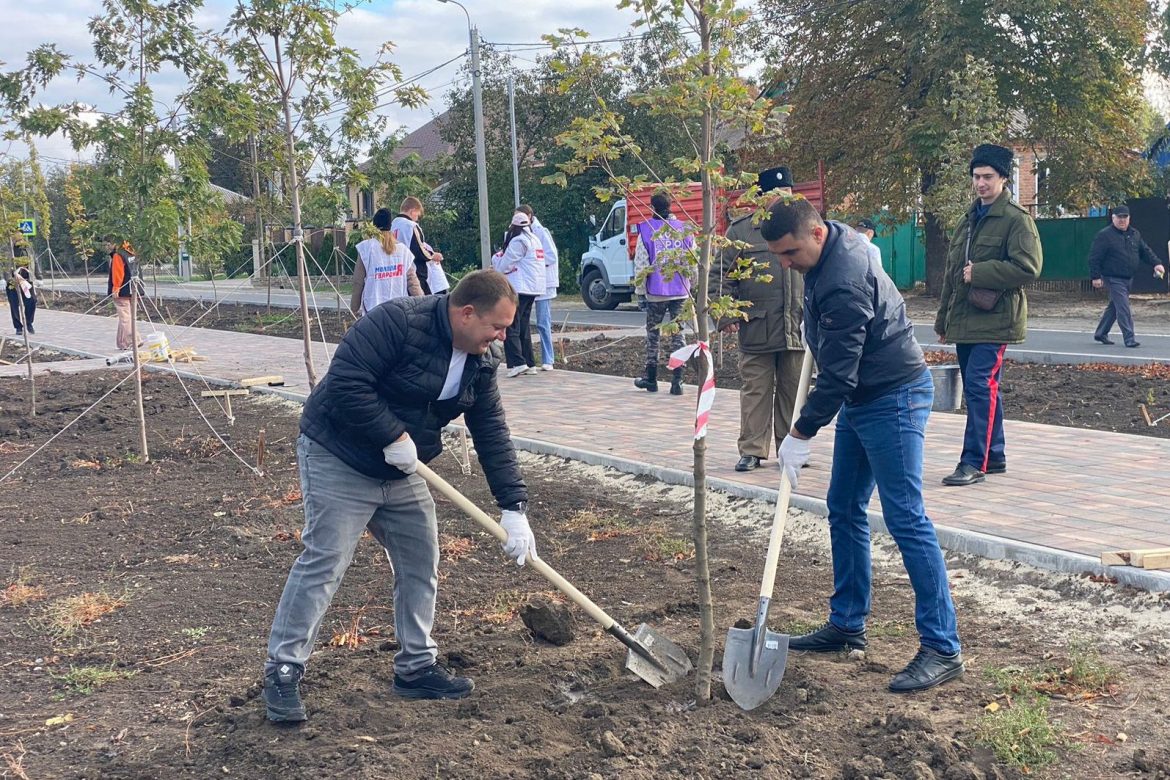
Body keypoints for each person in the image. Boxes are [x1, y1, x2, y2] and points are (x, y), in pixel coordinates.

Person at [263, 270, 536, 723]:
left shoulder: (480, 360)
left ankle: (415, 667)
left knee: (420, 558)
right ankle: (284, 668)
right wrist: (391, 434)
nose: (503, 336)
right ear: (466, 313)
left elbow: (491, 432)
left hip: (403, 467)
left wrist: (513, 507)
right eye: (497, 326)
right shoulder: (396, 322)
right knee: (325, 561)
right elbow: (347, 381)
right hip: (340, 453)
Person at [762, 197, 964, 694]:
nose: (784, 264)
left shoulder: (844, 280)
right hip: (863, 395)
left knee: (905, 517)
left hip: (891, 396)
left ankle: (943, 647)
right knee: (844, 506)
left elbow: (836, 376)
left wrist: (799, 433)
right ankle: (848, 626)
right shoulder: (831, 246)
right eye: (778, 256)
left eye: (789, 253)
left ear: (814, 235)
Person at [934, 143, 1043, 487]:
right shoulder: (969, 219)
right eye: (976, 177)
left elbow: (1029, 267)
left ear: (1003, 178)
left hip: (996, 319)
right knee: (982, 387)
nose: (980, 183)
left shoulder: (1016, 219)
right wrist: (942, 321)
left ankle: (973, 462)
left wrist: (980, 272)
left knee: (980, 387)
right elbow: (953, 273)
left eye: (987, 177)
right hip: (966, 319)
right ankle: (994, 455)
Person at [712, 166, 803, 470]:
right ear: (761, 199)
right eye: (776, 196)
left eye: (788, 195)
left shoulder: (804, 227)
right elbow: (719, 277)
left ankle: (790, 450)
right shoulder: (741, 232)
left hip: (797, 328)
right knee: (756, 392)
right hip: (757, 327)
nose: (783, 202)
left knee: (795, 392)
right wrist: (725, 314)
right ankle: (752, 449)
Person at [632, 192, 693, 395]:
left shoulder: (647, 229)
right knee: (679, 334)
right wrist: (692, 286)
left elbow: (641, 263)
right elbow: (693, 260)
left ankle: (651, 379)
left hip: (656, 291)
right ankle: (678, 381)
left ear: (652, 207)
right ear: (671, 205)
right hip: (680, 289)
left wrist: (640, 291)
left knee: (653, 334)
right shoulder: (684, 229)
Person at [1089, 204, 1164, 348]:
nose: (1122, 220)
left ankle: (1101, 333)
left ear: (1129, 218)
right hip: (1112, 277)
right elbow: (1094, 257)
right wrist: (1095, 277)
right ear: (1113, 218)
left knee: (1114, 307)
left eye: (1125, 217)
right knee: (1123, 307)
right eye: (1119, 217)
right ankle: (1129, 338)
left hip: (1128, 277)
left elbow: (1145, 251)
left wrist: (1157, 263)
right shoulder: (1104, 235)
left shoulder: (1134, 234)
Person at [493, 212, 544, 377]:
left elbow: (505, 265)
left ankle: (518, 362)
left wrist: (496, 262)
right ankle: (530, 363)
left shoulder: (518, 241)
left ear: (514, 226)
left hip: (519, 288)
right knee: (524, 326)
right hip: (534, 288)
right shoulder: (535, 239)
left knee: (511, 325)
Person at [350, 207, 422, 317]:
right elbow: (412, 282)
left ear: (374, 226)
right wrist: (422, 305)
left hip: (373, 310)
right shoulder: (403, 250)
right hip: (399, 310)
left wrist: (354, 307)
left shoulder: (366, 248)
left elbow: (358, 282)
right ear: (390, 226)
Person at [516, 205, 560, 371]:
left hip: (543, 282)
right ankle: (527, 359)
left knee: (543, 321)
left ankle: (548, 358)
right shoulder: (522, 233)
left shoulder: (542, 232)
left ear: (529, 216)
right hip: (529, 283)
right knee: (524, 321)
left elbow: (551, 256)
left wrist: (535, 265)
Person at [391, 196, 449, 295]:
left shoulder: (393, 224)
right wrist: (432, 255)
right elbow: (418, 249)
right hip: (415, 271)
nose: (417, 219)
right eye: (417, 215)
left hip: (397, 270)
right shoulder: (411, 226)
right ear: (413, 211)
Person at [105, 239, 137, 350]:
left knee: (125, 317)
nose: (107, 246)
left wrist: (116, 288)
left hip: (122, 290)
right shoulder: (132, 252)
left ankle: (132, 341)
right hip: (133, 288)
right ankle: (121, 343)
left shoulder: (118, 255)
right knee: (127, 317)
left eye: (108, 243)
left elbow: (118, 273)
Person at [6, 250, 36, 336]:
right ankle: (18, 327)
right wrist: (3, 278)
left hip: (26, 281)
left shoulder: (27, 247)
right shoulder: (6, 248)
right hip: (12, 282)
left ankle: (29, 323)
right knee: (14, 304)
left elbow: (34, 261)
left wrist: (39, 276)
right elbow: (3, 265)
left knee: (32, 301)